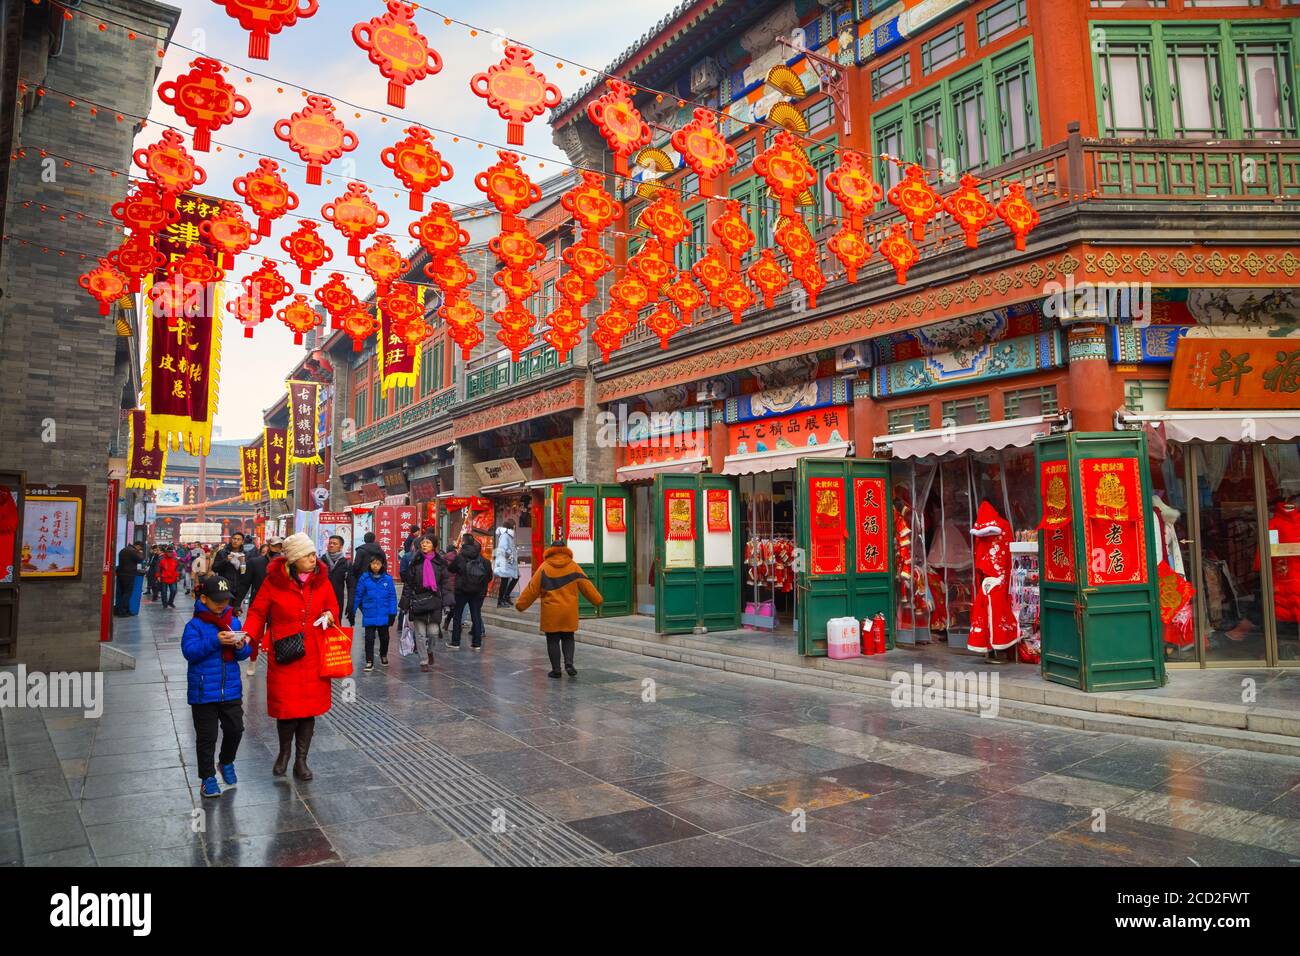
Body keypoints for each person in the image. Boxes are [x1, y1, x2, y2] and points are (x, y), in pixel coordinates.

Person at [243, 533, 340, 781]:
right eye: (307, 555)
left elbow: (333, 607)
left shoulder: (322, 581)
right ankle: (284, 752)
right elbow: (257, 612)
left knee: (308, 710)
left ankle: (301, 760)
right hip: (285, 655)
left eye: (312, 554)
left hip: (313, 654)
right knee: (287, 709)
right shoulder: (273, 582)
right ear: (293, 559)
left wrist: (329, 616)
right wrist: (248, 636)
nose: (312, 558)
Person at [181, 575, 252, 798]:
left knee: (235, 729)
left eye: (225, 599)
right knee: (207, 737)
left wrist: (241, 646)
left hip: (230, 689)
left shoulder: (234, 621)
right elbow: (189, 653)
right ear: (203, 598)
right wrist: (215, 641)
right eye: (216, 600)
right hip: (203, 692)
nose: (222, 604)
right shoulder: (195, 625)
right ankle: (208, 778)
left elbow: (243, 654)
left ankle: (226, 762)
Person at [514, 538, 603, 678]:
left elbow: (532, 589)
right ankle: (569, 663)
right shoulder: (573, 566)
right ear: (565, 550)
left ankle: (556, 669)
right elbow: (586, 586)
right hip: (569, 611)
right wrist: (597, 600)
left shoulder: (544, 567)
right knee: (568, 637)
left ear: (550, 551)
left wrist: (521, 605)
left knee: (552, 640)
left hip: (551, 612)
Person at [400, 535, 447, 672]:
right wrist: (405, 603)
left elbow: (445, 583)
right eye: (423, 543)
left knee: (433, 632)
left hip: (434, 601)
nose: (425, 545)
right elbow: (408, 584)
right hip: (418, 601)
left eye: (428, 542)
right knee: (420, 634)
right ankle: (423, 660)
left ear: (434, 545)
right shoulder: (415, 563)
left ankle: (430, 651)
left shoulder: (440, 563)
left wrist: (447, 601)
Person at [353, 553, 397, 671]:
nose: (375, 566)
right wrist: (352, 610)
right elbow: (358, 594)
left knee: (385, 637)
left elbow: (392, 596)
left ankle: (383, 654)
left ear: (382, 565)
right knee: (369, 638)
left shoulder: (387, 579)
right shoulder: (364, 578)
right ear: (370, 564)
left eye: (378, 563)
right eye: (373, 563)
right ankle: (369, 660)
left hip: (384, 613)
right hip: (369, 612)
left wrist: (393, 613)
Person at [449, 533, 491, 651]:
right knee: (476, 616)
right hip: (477, 593)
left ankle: (455, 642)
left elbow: (450, 569)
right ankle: (477, 643)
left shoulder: (459, 557)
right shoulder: (485, 561)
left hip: (461, 591)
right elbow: (489, 577)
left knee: (457, 616)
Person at [213, 532, 251, 612]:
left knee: (235, 612)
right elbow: (215, 568)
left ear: (242, 542)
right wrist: (226, 560)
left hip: (239, 588)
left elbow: (247, 572)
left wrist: (243, 562)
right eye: (234, 539)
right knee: (225, 612)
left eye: (238, 539)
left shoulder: (246, 554)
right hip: (225, 587)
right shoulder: (222, 553)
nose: (235, 541)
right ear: (231, 539)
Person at [320, 535, 350, 622]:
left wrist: (350, 603)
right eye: (330, 543)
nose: (331, 545)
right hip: (321, 599)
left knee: (335, 623)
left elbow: (351, 585)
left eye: (334, 544)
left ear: (340, 547)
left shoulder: (346, 563)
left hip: (337, 600)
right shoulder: (320, 561)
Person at [493, 519, 520, 607]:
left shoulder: (509, 535)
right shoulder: (505, 536)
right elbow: (503, 549)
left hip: (509, 562)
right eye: (514, 525)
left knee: (515, 577)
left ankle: (505, 597)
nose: (515, 527)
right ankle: (501, 601)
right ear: (511, 526)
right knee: (504, 581)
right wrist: (510, 558)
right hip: (506, 562)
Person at [113, 542, 145, 616]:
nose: (140, 549)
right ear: (137, 546)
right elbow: (140, 560)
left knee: (122, 593)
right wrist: (140, 553)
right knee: (127, 593)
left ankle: (123, 610)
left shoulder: (123, 550)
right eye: (140, 548)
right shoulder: (132, 551)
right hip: (128, 575)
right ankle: (123, 611)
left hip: (121, 574)